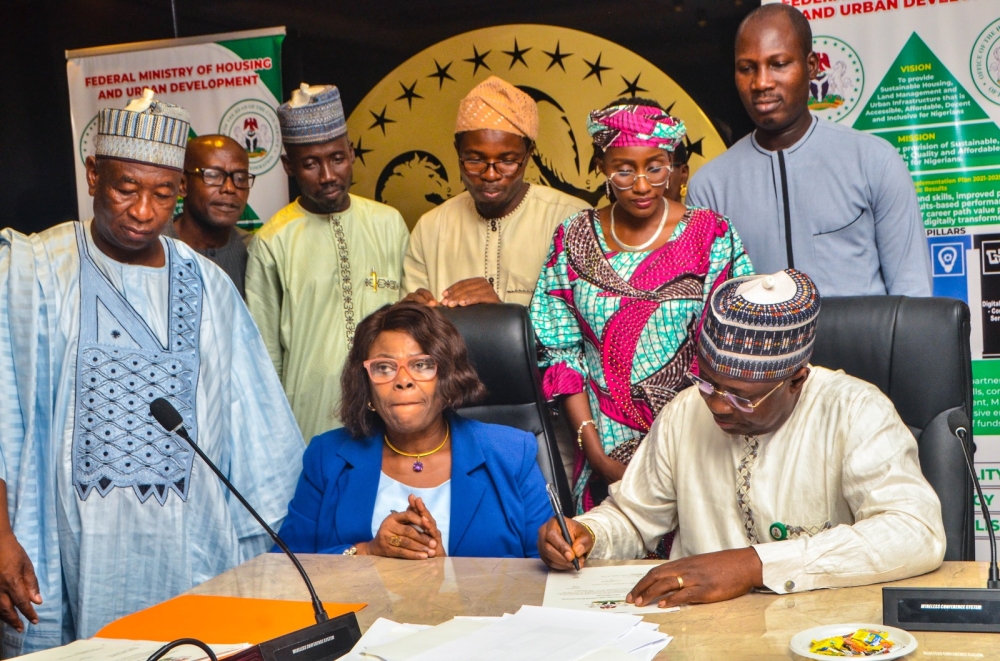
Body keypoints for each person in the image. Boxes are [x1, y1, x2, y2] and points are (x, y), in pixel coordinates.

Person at [0, 90, 303, 655]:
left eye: (163, 194)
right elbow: (2, 412)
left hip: (188, 551)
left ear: (181, 193)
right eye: (125, 188)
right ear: (93, 175)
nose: (143, 211)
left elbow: (256, 424)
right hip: (62, 546)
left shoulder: (209, 287)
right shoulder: (32, 270)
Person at [539, 269, 946, 606]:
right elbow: (633, 516)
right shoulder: (685, 410)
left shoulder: (855, 411)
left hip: (818, 632)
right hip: (698, 638)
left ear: (796, 380)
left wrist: (754, 564)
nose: (717, 406)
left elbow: (915, 532)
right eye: (708, 383)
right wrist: (588, 534)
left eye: (742, 397)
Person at [530, 98, 753, 515]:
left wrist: (689, 453)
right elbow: (560, 353)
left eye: (656, 166)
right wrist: (595, 453)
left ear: (671, 161)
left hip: (699, 450)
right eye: (624, 169)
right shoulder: (572, 239)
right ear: (601, 164)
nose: (642, 184)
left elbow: (733, 350)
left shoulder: (713, 236)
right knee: (610, 565)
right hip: (605, 454)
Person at [686, 3, 932, 297]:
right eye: (747, 68)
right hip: (761, 344)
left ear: (812, 66)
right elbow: (709, 308)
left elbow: (912, 291)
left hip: (862, 344)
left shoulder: (874, 161)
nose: (761, 82)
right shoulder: (710, 187)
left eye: (778, 64)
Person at [277, 301, 552, 558]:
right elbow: (286, 569)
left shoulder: (513, 454)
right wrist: (368, 553)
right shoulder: (327, 457)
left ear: (447, 377)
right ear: (366, 385)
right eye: (384, 368)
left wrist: (446, 574)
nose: (403, 381)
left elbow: (544, 572)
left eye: (421, 365)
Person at [246, 84, 410, 442]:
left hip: (392, 413)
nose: (327, 175)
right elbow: (264, 359)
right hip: (308, 421)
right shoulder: (272, 242)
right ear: (289, 166)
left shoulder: (389, 223)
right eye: (310, 164)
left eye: (337, 158)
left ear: (351, 153)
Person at [401, 76, 587, 308]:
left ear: (528, 154)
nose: (490, 174)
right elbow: (412, 336)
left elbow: (588, 327)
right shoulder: (431, 228)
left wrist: (502, 315)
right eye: (475, 160)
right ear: (457, 151)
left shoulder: (573, 222)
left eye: (507, 161)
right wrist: (415, 316)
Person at [162, 134, 253, 297]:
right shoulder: (153, 246)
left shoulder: (254, 252)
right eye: (213, 175)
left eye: (240, 178)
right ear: (182, 184)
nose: (230, 188)